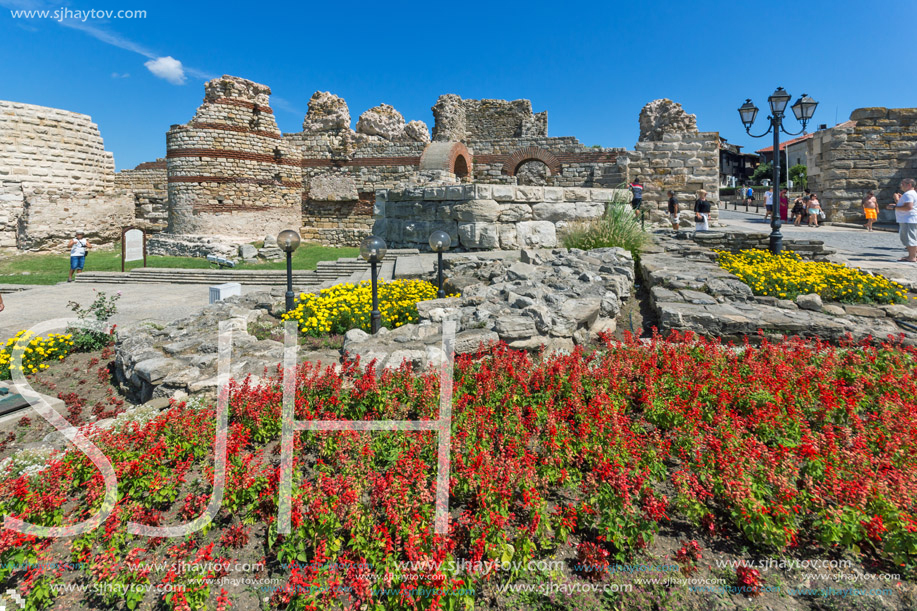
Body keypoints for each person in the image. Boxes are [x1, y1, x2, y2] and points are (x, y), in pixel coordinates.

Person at [887, 178, 917, 262]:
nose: (901, 186)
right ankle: (911, 256)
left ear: (909, 185)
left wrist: (893, 207)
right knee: (909, 238)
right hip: (909, 219)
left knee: (910, 239)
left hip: (908, 219)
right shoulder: (911, 193)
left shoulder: (909, 194)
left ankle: (912, 257)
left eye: (903, 184)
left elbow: (908, 207)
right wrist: (898, 200)